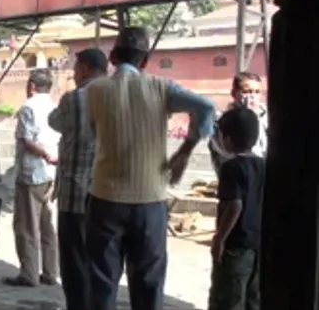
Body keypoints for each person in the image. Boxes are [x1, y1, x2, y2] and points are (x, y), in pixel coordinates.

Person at [84, 26, 216, 310]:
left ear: (113, 56)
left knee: (102, 283)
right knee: (148, 282)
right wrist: (184, 150)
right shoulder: (161, 88)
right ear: (145, 61)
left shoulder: (94, 91)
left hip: (105, 198)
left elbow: (92, 133)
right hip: (150, 201)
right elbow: (206, 107)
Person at [48, 48, 108, 310]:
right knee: (101, 260)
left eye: (75, 68)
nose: (73, 74)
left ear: (84, 68)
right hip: (107, 193)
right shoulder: (116, 97)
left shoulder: (76, 98)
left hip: (74, 192)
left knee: (74, 261)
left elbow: (55, 122)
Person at [3, 68, 61, 287]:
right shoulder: (55, 107)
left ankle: (29, 274)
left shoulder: (28, 107)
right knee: (48, 225)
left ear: (31, 86)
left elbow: (27, 140)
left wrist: (45, 154)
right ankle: (50, 272)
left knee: (27, 226)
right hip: (52, 173)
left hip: (32, 172)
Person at [207, 107, 264, 310]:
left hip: (236, 246)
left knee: (228, 299)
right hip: (258, 244)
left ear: (227, 139)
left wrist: (219, 239)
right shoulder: (263, 165)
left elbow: (234, 205)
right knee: (253, 300)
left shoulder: (231, 168)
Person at [208, 72, 268, 173]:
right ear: (234, 93)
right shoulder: (223, 122)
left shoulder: (266, 118)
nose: (252, 96)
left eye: (257, 92)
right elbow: (224, 151)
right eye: (247, 92)